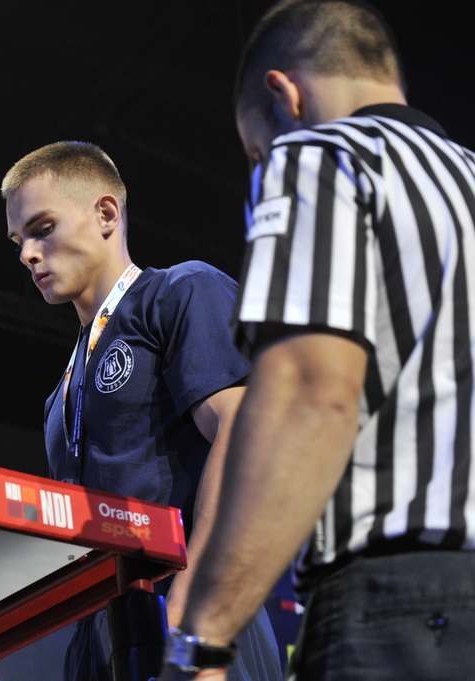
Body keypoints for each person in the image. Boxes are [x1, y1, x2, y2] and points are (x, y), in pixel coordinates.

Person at [162, 1, 475, 679]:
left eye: (256, 152)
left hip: (402, 607)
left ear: (286, 96)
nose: (262, 166)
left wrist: (203, 636)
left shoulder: (317, 155)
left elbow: (309, 396)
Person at [2, 142, 280, 680]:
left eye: (42, 228)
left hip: (193, 610)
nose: (27, 254)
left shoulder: (180, 291)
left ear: (106, 213)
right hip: (101, 640)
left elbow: (245, 429)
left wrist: (194, 600)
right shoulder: (61, 393)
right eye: (18, 241)